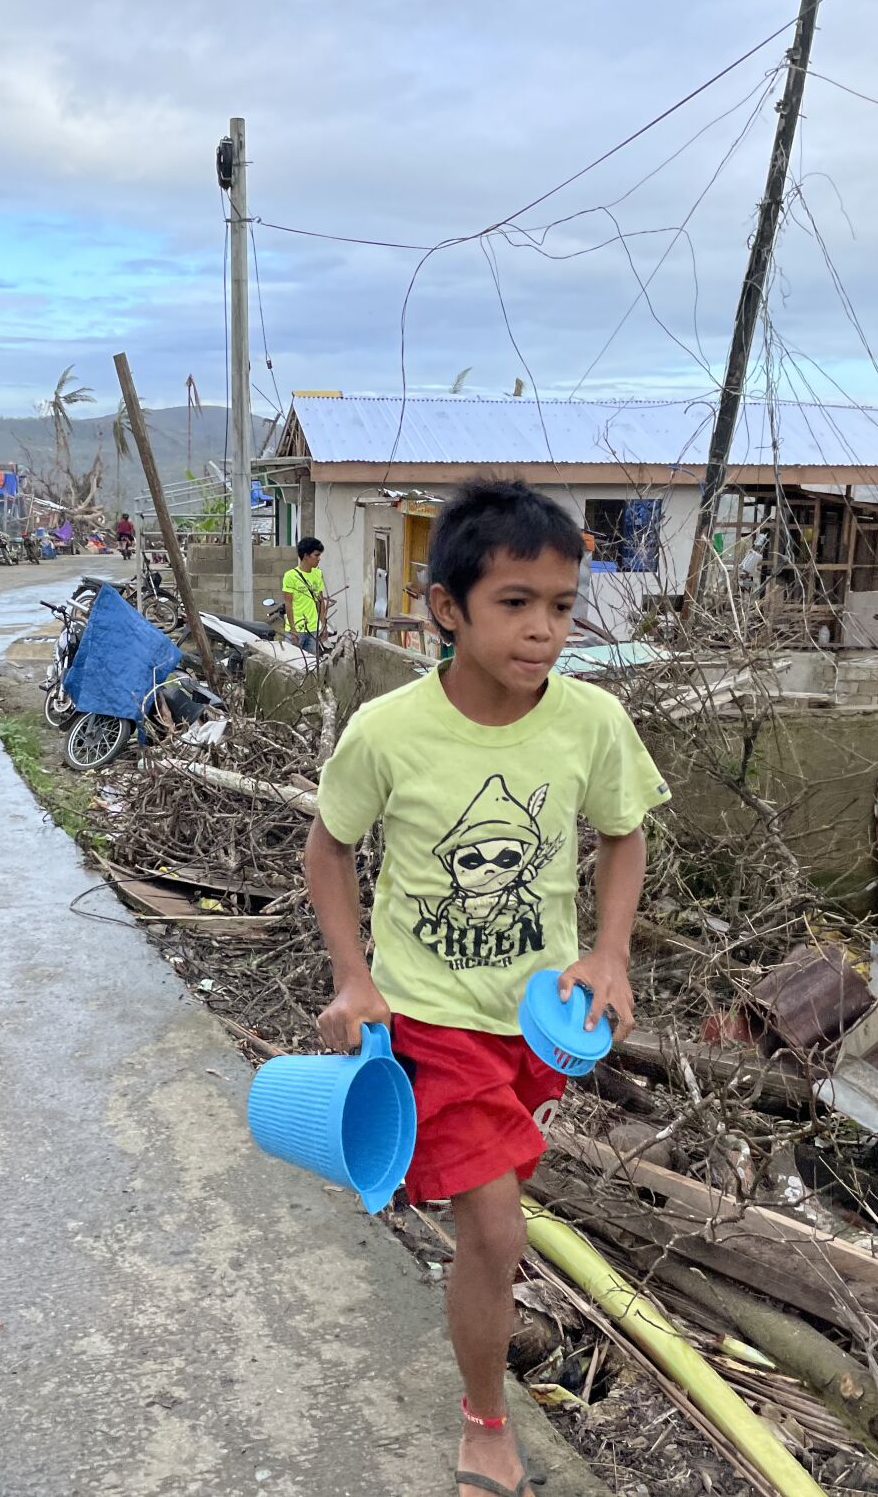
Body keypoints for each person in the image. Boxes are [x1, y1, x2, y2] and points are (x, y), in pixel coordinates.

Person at [304, 479, 670, 1497]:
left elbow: (623, 833)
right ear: (447, 607)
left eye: (560, 604)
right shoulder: (387, 731)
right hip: (428, 1022)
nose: (543, 629)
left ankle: (468, 1269)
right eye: (514, 603)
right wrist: (353, 977)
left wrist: (607, 955)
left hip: (535, 1024)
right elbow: (327, 852)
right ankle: (484, 1426)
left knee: (493, 1216)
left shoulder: (590, 723)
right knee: (496, 1230)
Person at [281, 536, 328, 651]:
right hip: (297, 629)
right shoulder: (290, 576)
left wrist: (323, 624)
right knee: (292, 663)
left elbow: (320, 600)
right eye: (316, 555)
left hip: (313, 629)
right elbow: (288, 603)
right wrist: (293, 629)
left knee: (311, 663)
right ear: (306, 556)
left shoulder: (317, 574)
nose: (319, 559)